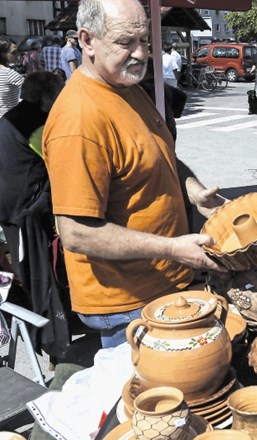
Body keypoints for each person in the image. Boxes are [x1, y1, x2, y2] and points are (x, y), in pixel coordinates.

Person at [43, 0, 228, 348]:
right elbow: (77, 233)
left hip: (163, 283)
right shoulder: (79, 119)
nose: (141, 53)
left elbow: (158, 157)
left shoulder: (127, 88)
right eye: (126, 43)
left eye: (145, 41)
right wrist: (172, 249)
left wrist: (193, 190)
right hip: (127, 303)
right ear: (87, 41)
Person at [0, 71, 70, 357]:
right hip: (26, 213)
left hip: (9, 208)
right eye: (57, 95)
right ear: (46, 97)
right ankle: (53, 340)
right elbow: (63, 164)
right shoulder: (39, 125)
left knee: (27, 270)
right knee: (41, 275)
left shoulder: (11, 117)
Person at [0, 37, 24, 118]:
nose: (17, 54)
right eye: (13, 52)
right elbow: (33, 91)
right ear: (3, 54)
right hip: (8, 120)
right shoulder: (9, 74)